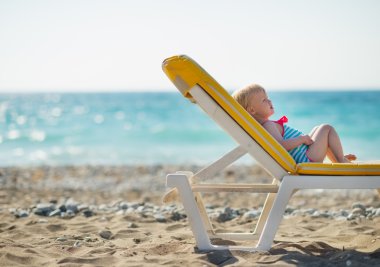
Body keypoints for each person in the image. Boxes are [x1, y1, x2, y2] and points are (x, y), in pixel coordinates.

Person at [232, 84, 356, 163]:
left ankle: (339, 159)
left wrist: (303, 140)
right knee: (326, 128)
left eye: (268, 97)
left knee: (319, 130)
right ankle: (341, 160)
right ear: (252, 110)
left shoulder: (267, 125)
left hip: (306, 154)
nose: (269, 101)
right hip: (306, 158)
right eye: (264, 100)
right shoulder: (268, 126)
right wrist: (301, 139)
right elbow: (280, 146)